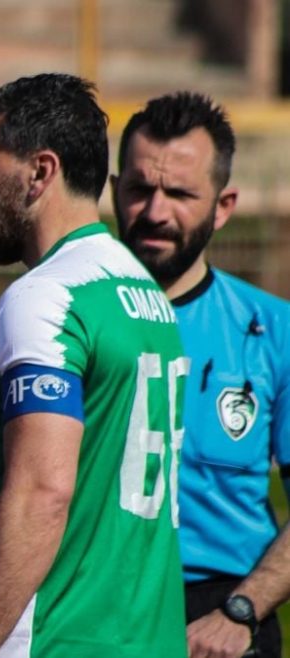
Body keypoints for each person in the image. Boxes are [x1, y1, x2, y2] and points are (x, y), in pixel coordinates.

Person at [0, 73, 188, 657]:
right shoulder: (146, 293)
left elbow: (42, 490)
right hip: (149, 639)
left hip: (61, 638)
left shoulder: (47, 296)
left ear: (40, 171)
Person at [114, 91, 290, 658]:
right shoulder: (70, 315)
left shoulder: (273, 330)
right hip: (99, 609)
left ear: (223, 205)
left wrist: (241, 611)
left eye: (181, 193)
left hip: (223, 615)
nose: (156, 211)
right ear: (115, 189)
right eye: (141, 189)